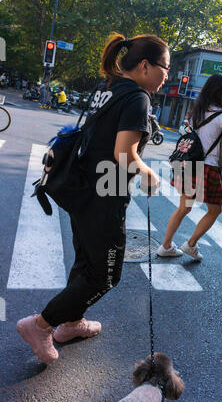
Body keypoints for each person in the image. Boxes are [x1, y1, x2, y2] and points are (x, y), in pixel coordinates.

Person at [17, 32, 169, 364]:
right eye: (165, 68)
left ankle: (72, 323)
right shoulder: (138, 98)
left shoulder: (108, 86)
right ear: (145, 65)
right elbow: (123, 154)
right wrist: (149, 174)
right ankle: (40, 325)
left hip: (84, 189)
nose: (166, 76)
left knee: (86, 262)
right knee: (105, 276)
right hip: (105, 196)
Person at [157, 73, 222, 260]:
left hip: (187, 165)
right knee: (215, 210)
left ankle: (166, 246)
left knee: (183, 208)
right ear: (218, 91)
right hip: (207, 168)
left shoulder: (197, 111)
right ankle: (191, 244)